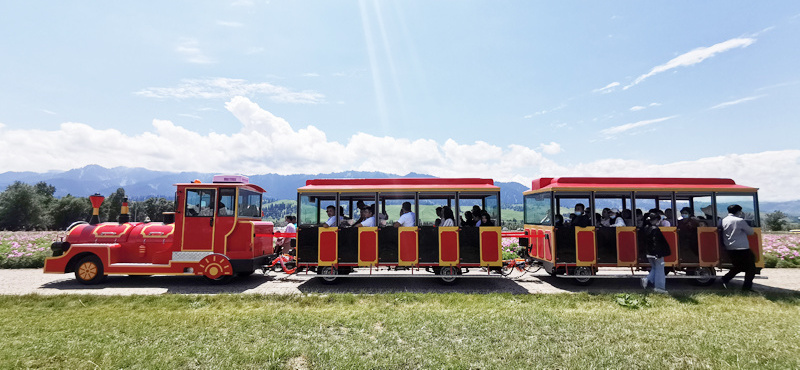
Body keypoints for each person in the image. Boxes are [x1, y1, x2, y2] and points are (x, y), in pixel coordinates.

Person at [720, 204, 757, 291]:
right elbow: (750, 232)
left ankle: (726, 278)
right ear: (738, 212)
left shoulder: (723, 220)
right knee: (751, 268)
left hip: (729, 247)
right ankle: (746, 287)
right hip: (742, 247)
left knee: (739, 266)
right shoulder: (739, 221)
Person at [640, 212, 671, 294]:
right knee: (660, 269)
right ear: (657, 220)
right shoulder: (655, 230)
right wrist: (658, 253)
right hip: (656, 253)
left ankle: (647, 279)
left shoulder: (646, 228)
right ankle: (660, 287)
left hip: (649, 253)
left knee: (654, 268)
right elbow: (657, 243)